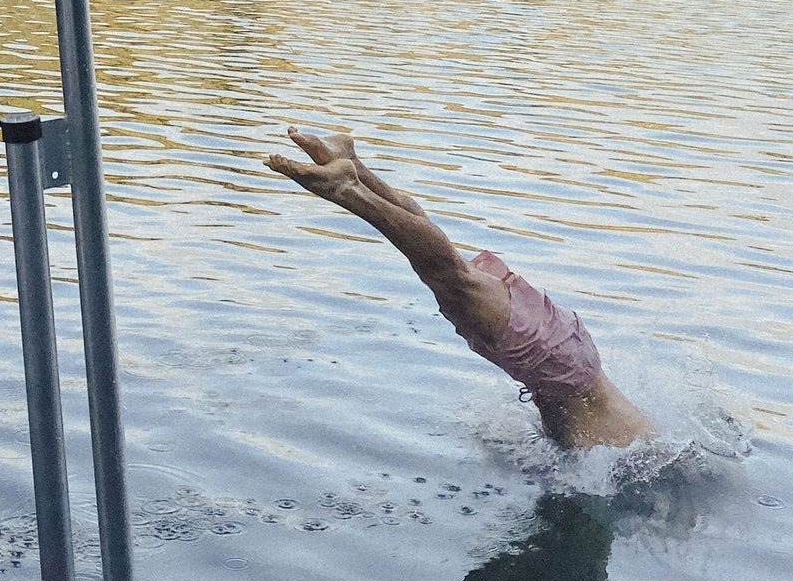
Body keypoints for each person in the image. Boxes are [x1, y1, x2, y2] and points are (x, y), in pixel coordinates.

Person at [264, 127, 653, 449]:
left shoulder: (633, 435)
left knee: (446, 269)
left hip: (560, 360)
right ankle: (348, 187)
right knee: (447, 272)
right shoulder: (640, 454)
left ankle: (352, 168)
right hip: (556, 363)